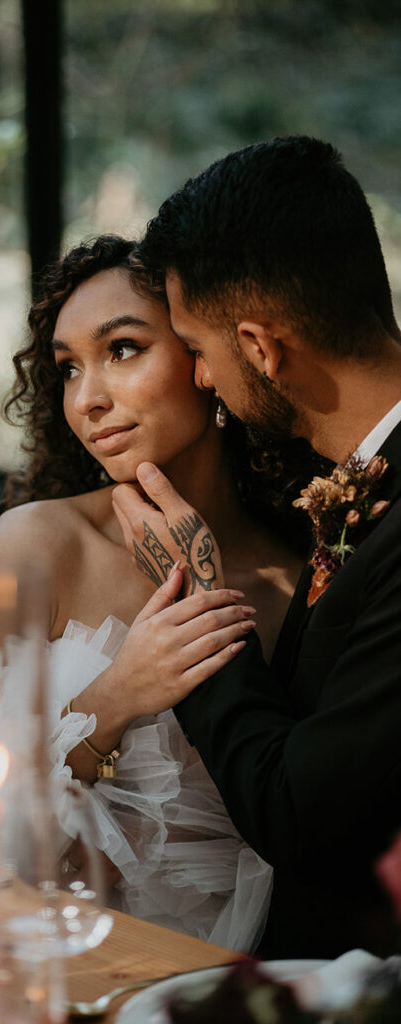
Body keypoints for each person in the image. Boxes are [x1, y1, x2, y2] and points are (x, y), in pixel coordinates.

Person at [0, 234, 319, 952]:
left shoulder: (297, 577)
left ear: (204, 359)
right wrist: (117, 696)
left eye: (123, 349)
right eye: (68, 369)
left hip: (227, 977)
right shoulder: (39, 545)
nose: (88, 399)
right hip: (46, 964)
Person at [102, 136, 401, 958]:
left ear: (262, 348)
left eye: (197, 349)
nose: (201, 378)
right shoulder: (360, 476)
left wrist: (194, 594)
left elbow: (300, 814)